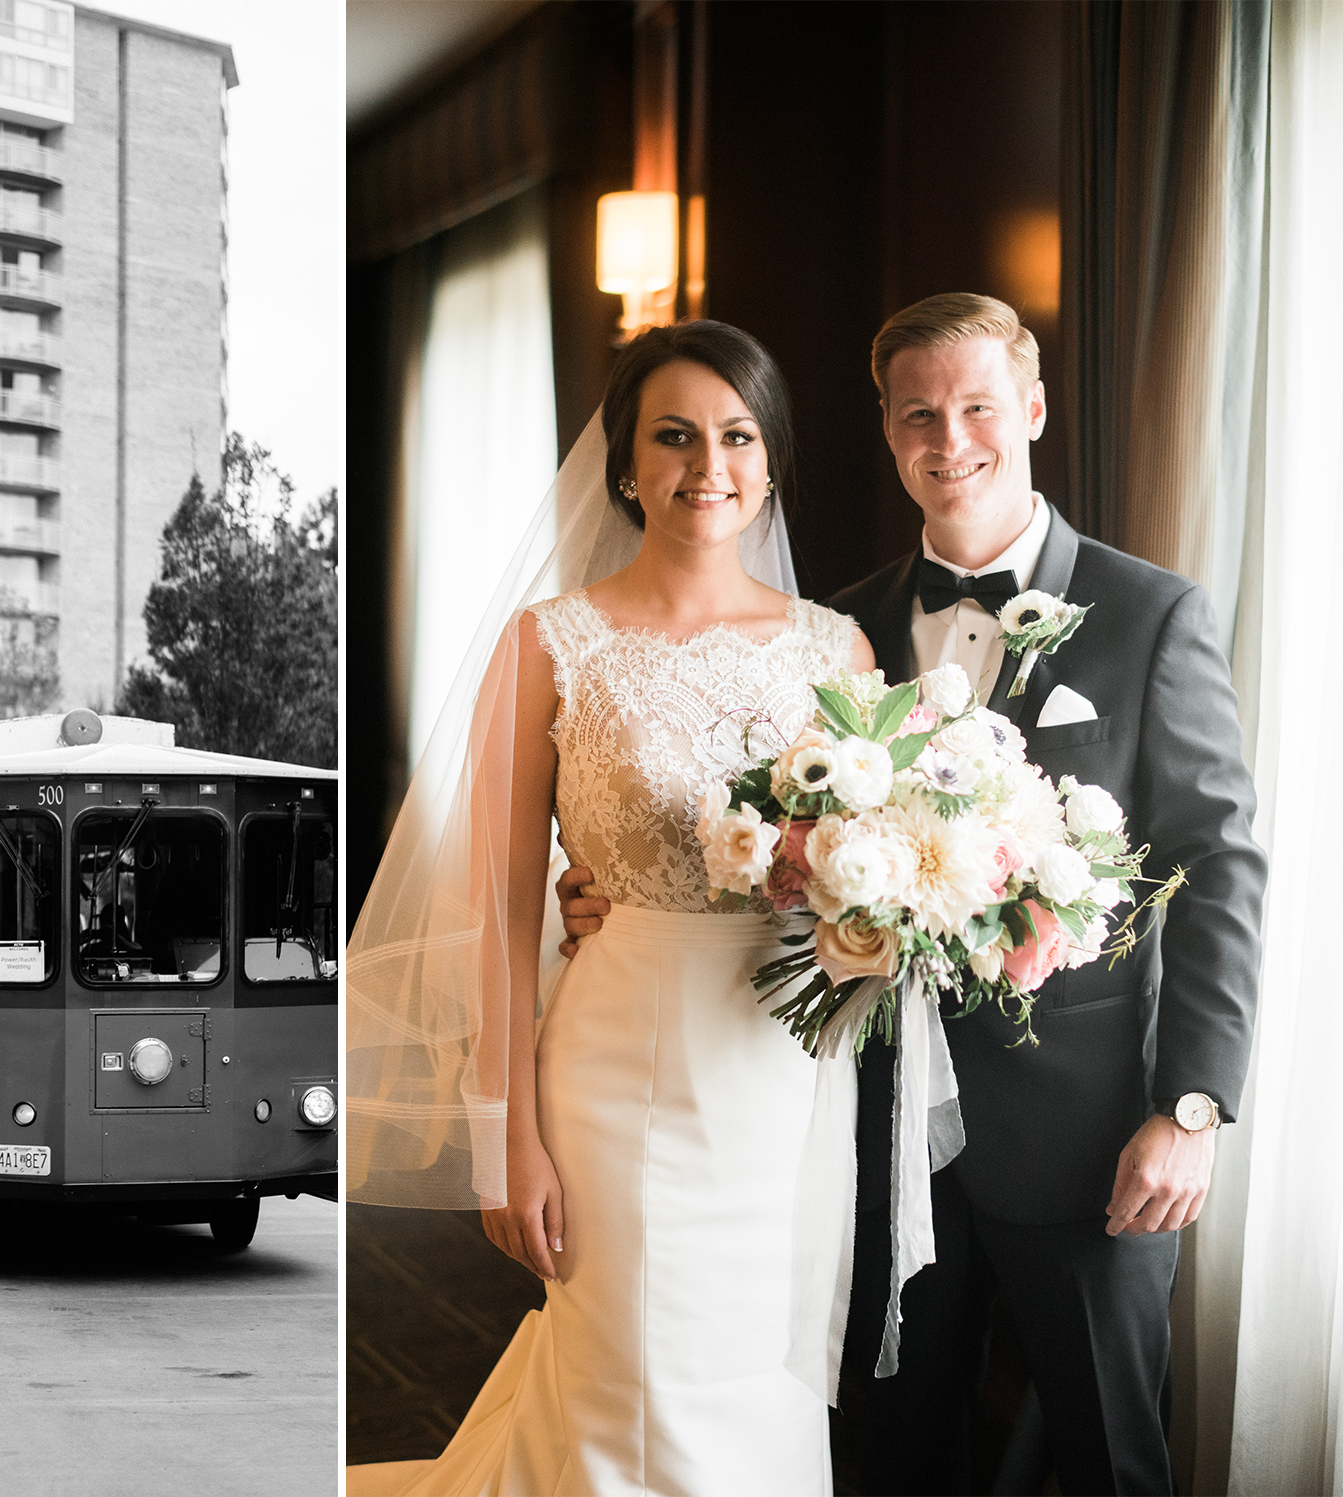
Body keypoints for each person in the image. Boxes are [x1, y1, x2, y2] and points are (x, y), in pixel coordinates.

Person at [556, 294, 1266, 1495]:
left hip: (1088, 1141)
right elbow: (767, 846)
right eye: (917, 416)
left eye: (976, 407)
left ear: (1030, 410)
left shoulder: (1153, 617)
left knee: (1111, 1460)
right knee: (887, 1460)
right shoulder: (834, 633)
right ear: (887, 434)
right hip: (866, 1137)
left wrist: (1190, 1106)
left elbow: (1218, 867)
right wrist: (610, 899)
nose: (950, 441)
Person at [347, 321, 872, 1495]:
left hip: (781, 1081)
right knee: (621, 1374)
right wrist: (504, 1134)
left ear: (770, 459)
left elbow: (872, 865)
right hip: (613, 1075)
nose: (708, 466)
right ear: (624, 467)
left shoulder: (835, 654)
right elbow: (495, 907)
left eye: (736, 436)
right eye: (673, 436)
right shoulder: (547, 646)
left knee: (763, 1385)